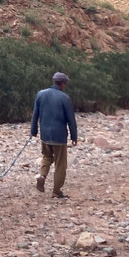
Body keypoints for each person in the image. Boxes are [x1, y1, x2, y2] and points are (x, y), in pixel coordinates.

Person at [30, 71, 78, 199]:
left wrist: (33, 131)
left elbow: (35, 115)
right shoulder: (65, 98)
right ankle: (56, 191)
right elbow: (71, 120)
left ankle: (42, 176)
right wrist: (74, 136)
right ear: (62, 84)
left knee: (46, 157)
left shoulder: (40, 94)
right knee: (60, 164)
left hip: (45, 135)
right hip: (59, 136)